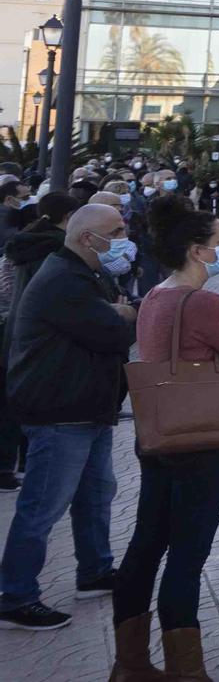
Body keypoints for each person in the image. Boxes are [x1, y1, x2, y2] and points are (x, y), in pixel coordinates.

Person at [109, 197, 219, 679]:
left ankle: (130, 663)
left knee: (146, 545)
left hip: (159, 432)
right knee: (187, 554)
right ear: (197, 251)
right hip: (201, 440)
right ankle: (186, 671)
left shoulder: (157, 296)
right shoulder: (202, 303)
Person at [0, 203, 137, 631]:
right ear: (87, 238)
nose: (124, 239)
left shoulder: (87, 273)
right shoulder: (63, 279)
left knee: (96, 493)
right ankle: (16, 595)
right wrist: (120, 314)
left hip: (87, 405)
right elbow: (112, 331)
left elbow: (117, 316)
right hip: (60, 408)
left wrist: (120, 311)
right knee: (44, 504)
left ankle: (95, 571)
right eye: (116, 232)